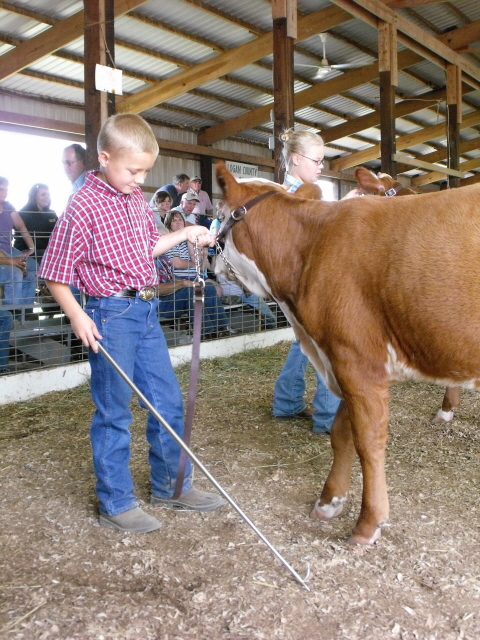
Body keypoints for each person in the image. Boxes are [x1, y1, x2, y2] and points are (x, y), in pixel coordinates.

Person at [38, 113, 225, 535]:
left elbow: (148, 247)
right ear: (105, 158)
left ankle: (171, 485)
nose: (140, 179)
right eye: (133, 170)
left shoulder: (133, 199)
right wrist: (77, 314)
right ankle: (117, 502)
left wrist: (186, 234)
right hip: (109, 314)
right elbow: (54, 272)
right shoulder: (83, 204)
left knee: (167, 401)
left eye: (144, 171)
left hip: (144, 309)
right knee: (114, 412)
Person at [272, 129, 360, 435]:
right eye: (317, 160)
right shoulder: (293, 195)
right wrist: (342, 208)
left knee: (305, 342)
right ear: (297, 159)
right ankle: (327, 418)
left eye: (323, 161)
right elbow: (311, 232)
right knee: (328, 346)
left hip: (300, 283)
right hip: (309, 283)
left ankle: (286, 402)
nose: (321, 167)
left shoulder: (291, 192)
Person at [156, 255, 236, 339]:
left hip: (171, 295)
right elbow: (155, 290)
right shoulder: (148, 260)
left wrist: (190, 283)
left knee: (208, 286)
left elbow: (171, 279)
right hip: (158, 303)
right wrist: (183, 283)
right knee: (192, 292)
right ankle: (205, 334)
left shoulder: (162, 258)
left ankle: (222, 329)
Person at [0, 177, 37, 310]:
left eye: (6, 189)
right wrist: (10, 261)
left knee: (34, 268)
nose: (5, 192)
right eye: (1, 189)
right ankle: (11, 313)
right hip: (1, 252)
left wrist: (31, 248)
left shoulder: (8, 206)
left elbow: (21, 227)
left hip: (9, 249)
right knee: (15, 273)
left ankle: (25, 313)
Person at [14, 183, 58, 262]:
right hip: (27, 251)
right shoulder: (24, 213)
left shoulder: (52, 213)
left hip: (48, 251)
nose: (47, 197)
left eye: (48, 194)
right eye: (43, 195)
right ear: (34, 196)